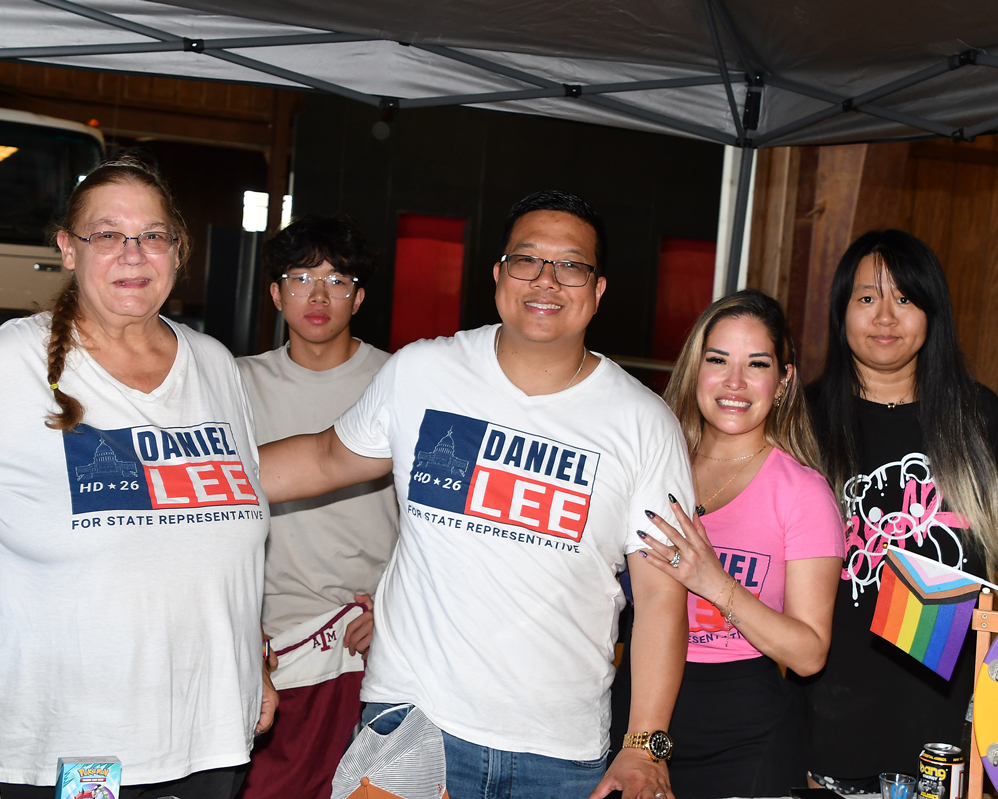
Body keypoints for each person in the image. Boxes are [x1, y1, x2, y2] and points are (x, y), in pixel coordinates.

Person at [260, 190, 695, 799]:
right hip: (412, 725)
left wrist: (645, 745)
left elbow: (660, 596)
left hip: (559, 754)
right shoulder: (424, 372)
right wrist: (170, 475)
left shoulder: (644, 423)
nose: (546, 280)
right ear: (498, 275)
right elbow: (326, 457)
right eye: (527, 260)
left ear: (598, 291)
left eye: (571, 265)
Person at [0, 157, 277, 799]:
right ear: (68, 249)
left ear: (178, 251)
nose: (133, 253)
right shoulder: (13, 362)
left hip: (210, 733)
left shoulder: (213, 363)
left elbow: (222, 530)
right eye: (107, 234)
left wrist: (253, 658)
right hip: (75, 742)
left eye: (153, 235)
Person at [800, 230, 998, 791]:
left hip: (949, 739)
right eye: (867, 298)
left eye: (905, 298)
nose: (885, 316)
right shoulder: (802, 422)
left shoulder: (980, 420)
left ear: (932, 312)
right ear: (841, 311)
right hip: (824, 731)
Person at [638, 289, 844, 798]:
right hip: (637, 713)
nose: (735, 382)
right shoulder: (652, 465)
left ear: (784, 380)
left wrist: (713, 582)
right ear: (695, 368)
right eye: (718, 360)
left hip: (744, 734)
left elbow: (809, 654)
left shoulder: (803, 492)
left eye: (756, 364)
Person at [235, 215, 399, 799]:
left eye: (337, 280)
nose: (319, 295)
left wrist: (396, 610)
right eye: (301, 278)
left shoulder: (399, 381)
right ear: (276, 293)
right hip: (266, 641)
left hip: (366, 640)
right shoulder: (235, 383)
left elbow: (434, 519)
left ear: (359, 297)